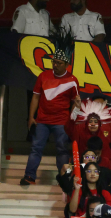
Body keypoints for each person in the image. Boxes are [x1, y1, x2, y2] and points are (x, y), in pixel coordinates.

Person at [20, 29, 79, 185]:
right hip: (42, 120)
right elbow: (35, 97)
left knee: (62, 150)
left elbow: (75, 103)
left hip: (62, 121)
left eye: (59, 63)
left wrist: (72, 121)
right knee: (36, 148)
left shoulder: (73, 80)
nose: (55, 65)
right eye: (54, 62)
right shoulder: (43, 76)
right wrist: (31, 117)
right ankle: (29, 176)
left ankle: (64, 178)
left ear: (66, 64)